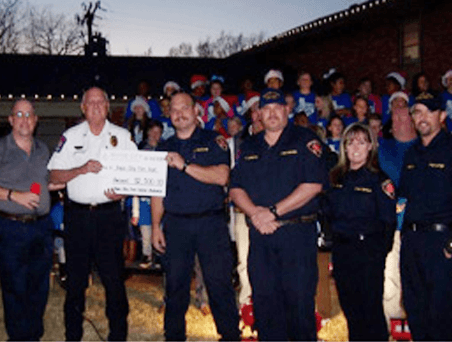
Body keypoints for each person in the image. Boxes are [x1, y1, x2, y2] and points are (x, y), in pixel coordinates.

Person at [230, 88, 327, 340]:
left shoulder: (306, 139)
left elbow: (313, 185)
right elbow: (235, 187)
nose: (272, 113)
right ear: (259, 113)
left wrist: (272, 212)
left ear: (287, 110)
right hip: (260, 235)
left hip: (296, 234)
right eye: (266, 109)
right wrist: (255, 213)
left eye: (277, 108)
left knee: (299, 303)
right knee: (264, 302)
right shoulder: (249, 145)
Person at [47, 87, 137, 341]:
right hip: (77, 217)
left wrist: (124, 191)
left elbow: (137, 175)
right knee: (75, 282)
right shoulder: (70, 136)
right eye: (91, 102)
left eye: (101, 102)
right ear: (83, 108)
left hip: (109, 216)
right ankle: (72, 335)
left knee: (114, 281)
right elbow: (53, 175)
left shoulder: (122, 136)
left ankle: (118, 335)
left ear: (108, 107)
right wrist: (80, 169)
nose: (96, 106)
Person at [151, 92, 240, 341]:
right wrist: (156, 226)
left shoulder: (215, 140)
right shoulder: (164, 147)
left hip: (210, 223)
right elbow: (157, 191)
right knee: (176, 286)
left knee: (219, 284)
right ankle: (174, 336)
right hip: (176, 224)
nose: (179, 113)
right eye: (174, 109)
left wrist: (185, 165)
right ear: (169, 115)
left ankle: (230, 335)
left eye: (184, 108)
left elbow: (222, 177)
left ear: (196, 110)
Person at [324, 123, 396, 341]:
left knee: (370, 311)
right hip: (343, 251)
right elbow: (326, 212)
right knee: (350, 309)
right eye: (351, 142)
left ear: (370, 147)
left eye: (361, 142)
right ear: (344, 147)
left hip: (368, 252)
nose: (355, 147)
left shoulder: (379, 180)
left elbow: (388, 222)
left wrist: (377, 254)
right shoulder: (335, 178)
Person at [0, 100, 55, 341]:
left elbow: (47, 182)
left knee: (39, 285)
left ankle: (33, 335)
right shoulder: (1, 148)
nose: (24, 119)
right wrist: (13, 195)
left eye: (29, 115)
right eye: (19, 114)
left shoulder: (43, 149)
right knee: (14, 287)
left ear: (35, 120)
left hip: (42, 227)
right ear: (11, 120)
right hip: (11, 227)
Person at [398, 96, 452, 341]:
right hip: (412, 241)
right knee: (416, 309)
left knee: (442, 314)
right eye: (416, 113)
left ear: (441, 116)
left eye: (427, 112)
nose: (421, 118)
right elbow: (403, 197)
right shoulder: (411, 153)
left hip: (441, 243)